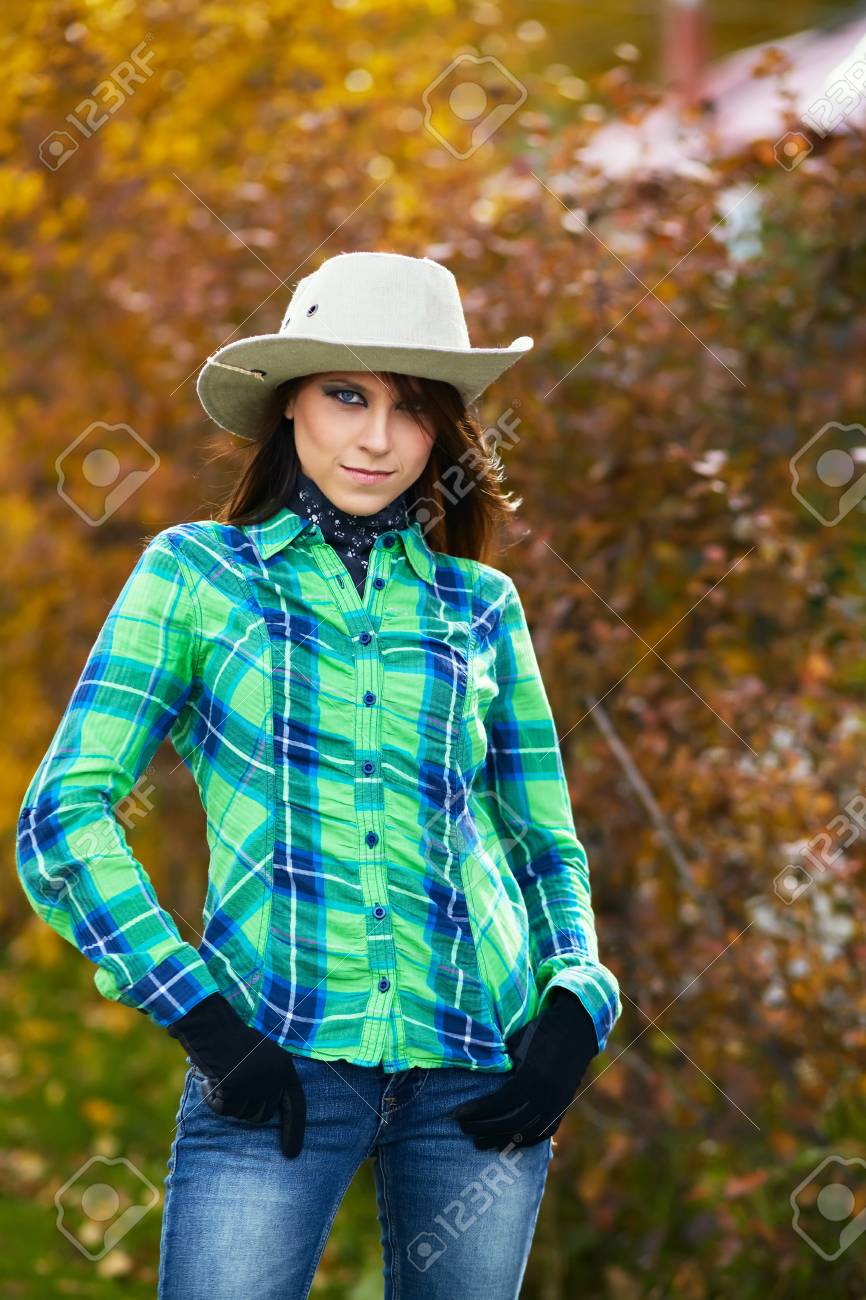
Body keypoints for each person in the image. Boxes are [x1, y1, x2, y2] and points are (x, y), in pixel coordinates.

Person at [15, 250, 622, 1298]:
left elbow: (539, 843)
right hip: (274, 1057)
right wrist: (200, 1016)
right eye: (347, 394)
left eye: (410, 407)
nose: (376, 437)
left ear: (442, 430)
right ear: (291, 402)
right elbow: (62, 814)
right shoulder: (196, 575)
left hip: (478, 1062)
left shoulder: (478, 606)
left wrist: (575, 1001)